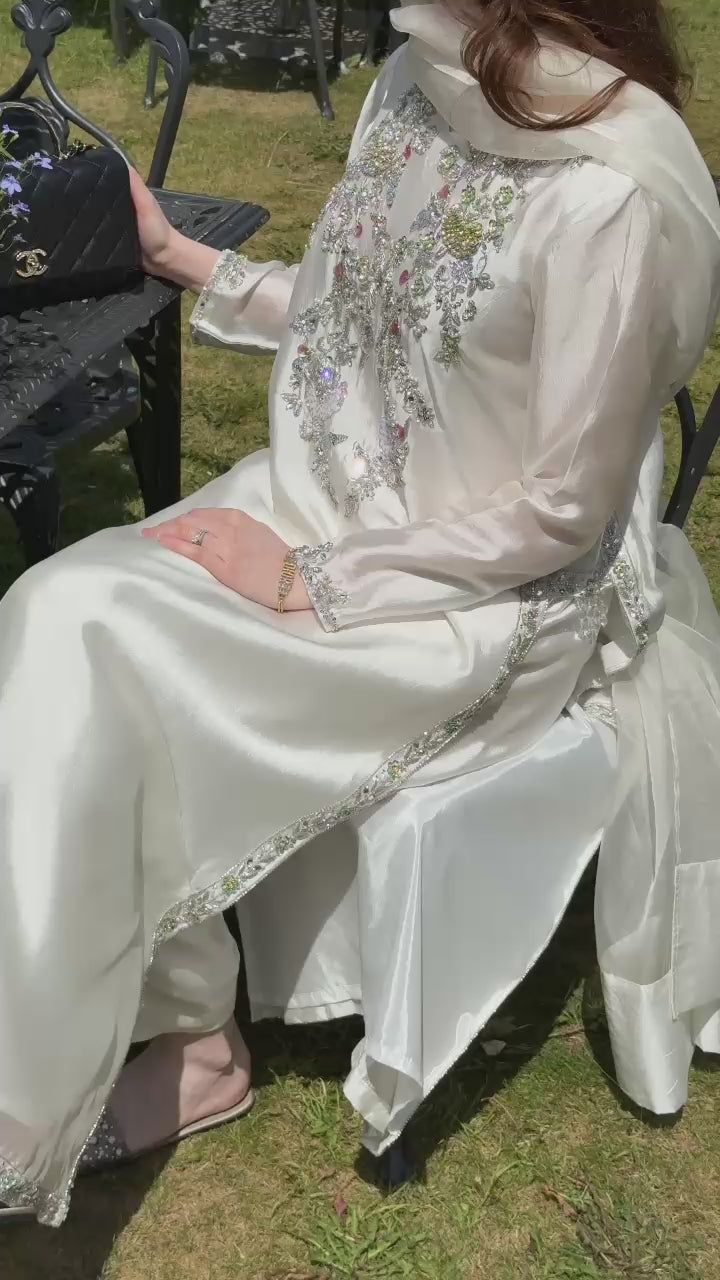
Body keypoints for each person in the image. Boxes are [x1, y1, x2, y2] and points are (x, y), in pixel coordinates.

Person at [2, 0, 720, 1228]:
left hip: (476, 600)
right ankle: (166, 1026)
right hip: (320, 501)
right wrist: (188, 258)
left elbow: (562, 507)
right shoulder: (416, 78)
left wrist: (310, 579)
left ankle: (106, 1080)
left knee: (87, 628)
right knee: (62, 609)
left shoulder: (609, 191)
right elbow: (366, 317)